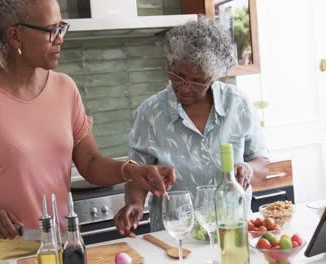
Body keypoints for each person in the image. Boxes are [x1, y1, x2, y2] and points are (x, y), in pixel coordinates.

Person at [0, 0, 175, 260]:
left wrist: (132, 170)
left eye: (61, 28)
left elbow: (90, 163)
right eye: (50, 31)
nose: (60, 40)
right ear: (15, 35)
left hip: (62, 244)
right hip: (3, 246)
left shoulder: (65, 88)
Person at [114, 16, 269, 237]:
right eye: (179, 75)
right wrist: (136, 203)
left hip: (232, 230)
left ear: (214, 77)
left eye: (198, 81)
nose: (185, 88)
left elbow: (263, 162)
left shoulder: (238, 104)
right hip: (176, 235)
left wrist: (249, 168)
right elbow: (137, 172)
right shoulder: (150, 113)